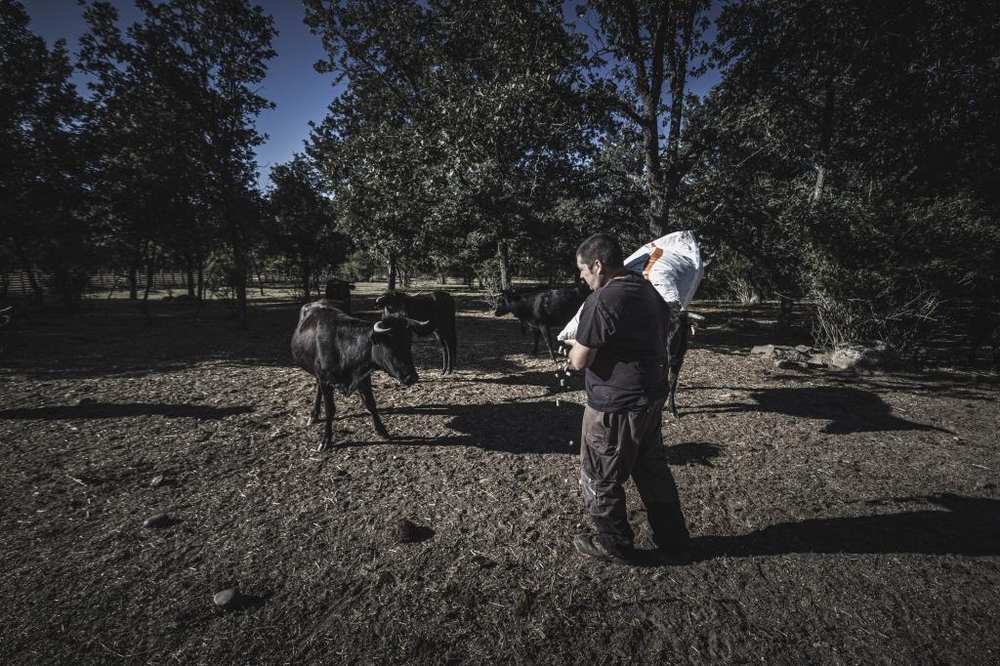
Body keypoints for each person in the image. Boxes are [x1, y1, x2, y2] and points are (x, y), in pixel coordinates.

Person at [564, 232, 690, 564]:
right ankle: (673, 537)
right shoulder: (647, 289)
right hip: (648, 400)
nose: (580, 277)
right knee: (652, 470)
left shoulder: (603, 299)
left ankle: (615, 543)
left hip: (613, 406)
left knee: (600, 475)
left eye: (582, 270)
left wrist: (574, 348)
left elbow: (580, 360)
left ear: (597, 265)